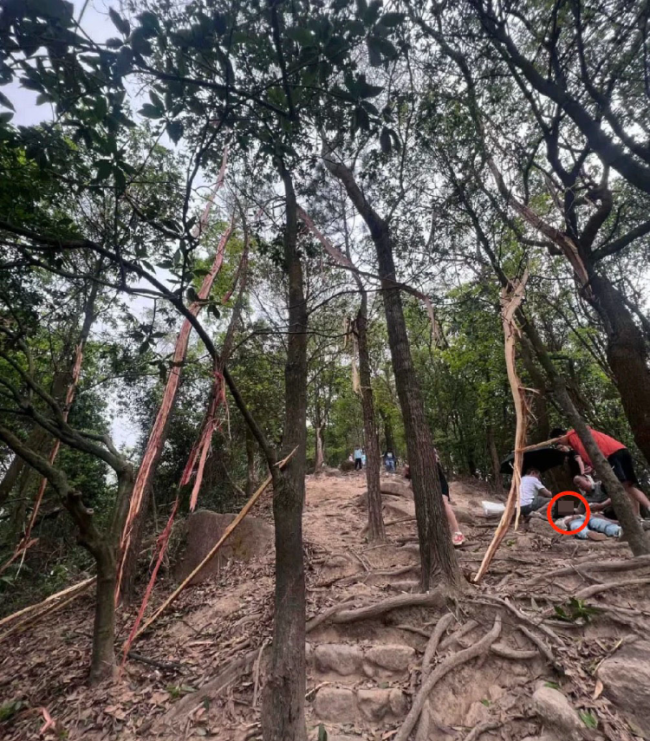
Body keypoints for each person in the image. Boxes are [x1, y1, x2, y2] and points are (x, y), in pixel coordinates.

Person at [551, 427, 650, 516]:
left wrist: (601, 505)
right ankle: (638, 516)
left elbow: (618, 493)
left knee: (624, 486)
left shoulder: (602, 486)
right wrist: (558, 507)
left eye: (579, 482)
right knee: (629, 485)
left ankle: (636, 516)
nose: (578, 486)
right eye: (576, 484)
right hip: (619, 450)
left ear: (588, 479)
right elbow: (579, 511)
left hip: (611, 454)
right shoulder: (586, 498)